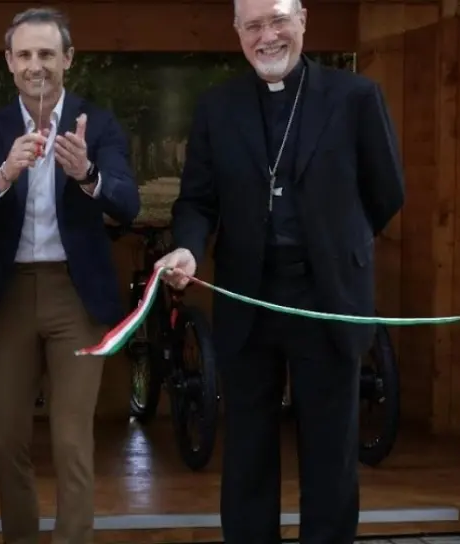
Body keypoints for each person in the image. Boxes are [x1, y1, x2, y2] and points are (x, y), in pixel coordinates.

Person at [154, 0, 405, 540]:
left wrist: (340, 244)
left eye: (278, 20)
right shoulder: (218, 106)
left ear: (303, 19)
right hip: (249, 295)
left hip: (328, 294)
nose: (267, 36)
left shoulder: (355, 97)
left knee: (331, 451)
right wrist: (189, 249)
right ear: (238, 32)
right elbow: (197, 200)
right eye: (253, 25)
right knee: (246, 451)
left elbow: (386, 192)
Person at [0, 7, 140, 543]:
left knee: (71, 438)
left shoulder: (96, 124)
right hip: (9, 292)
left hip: (75, 293)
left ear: (68, 60)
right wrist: (4, 172)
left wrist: (87, 173)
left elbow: (126, 202)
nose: (37, 66)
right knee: (7, 437)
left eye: (48, 55)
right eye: (26, 55)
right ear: (10, 63)